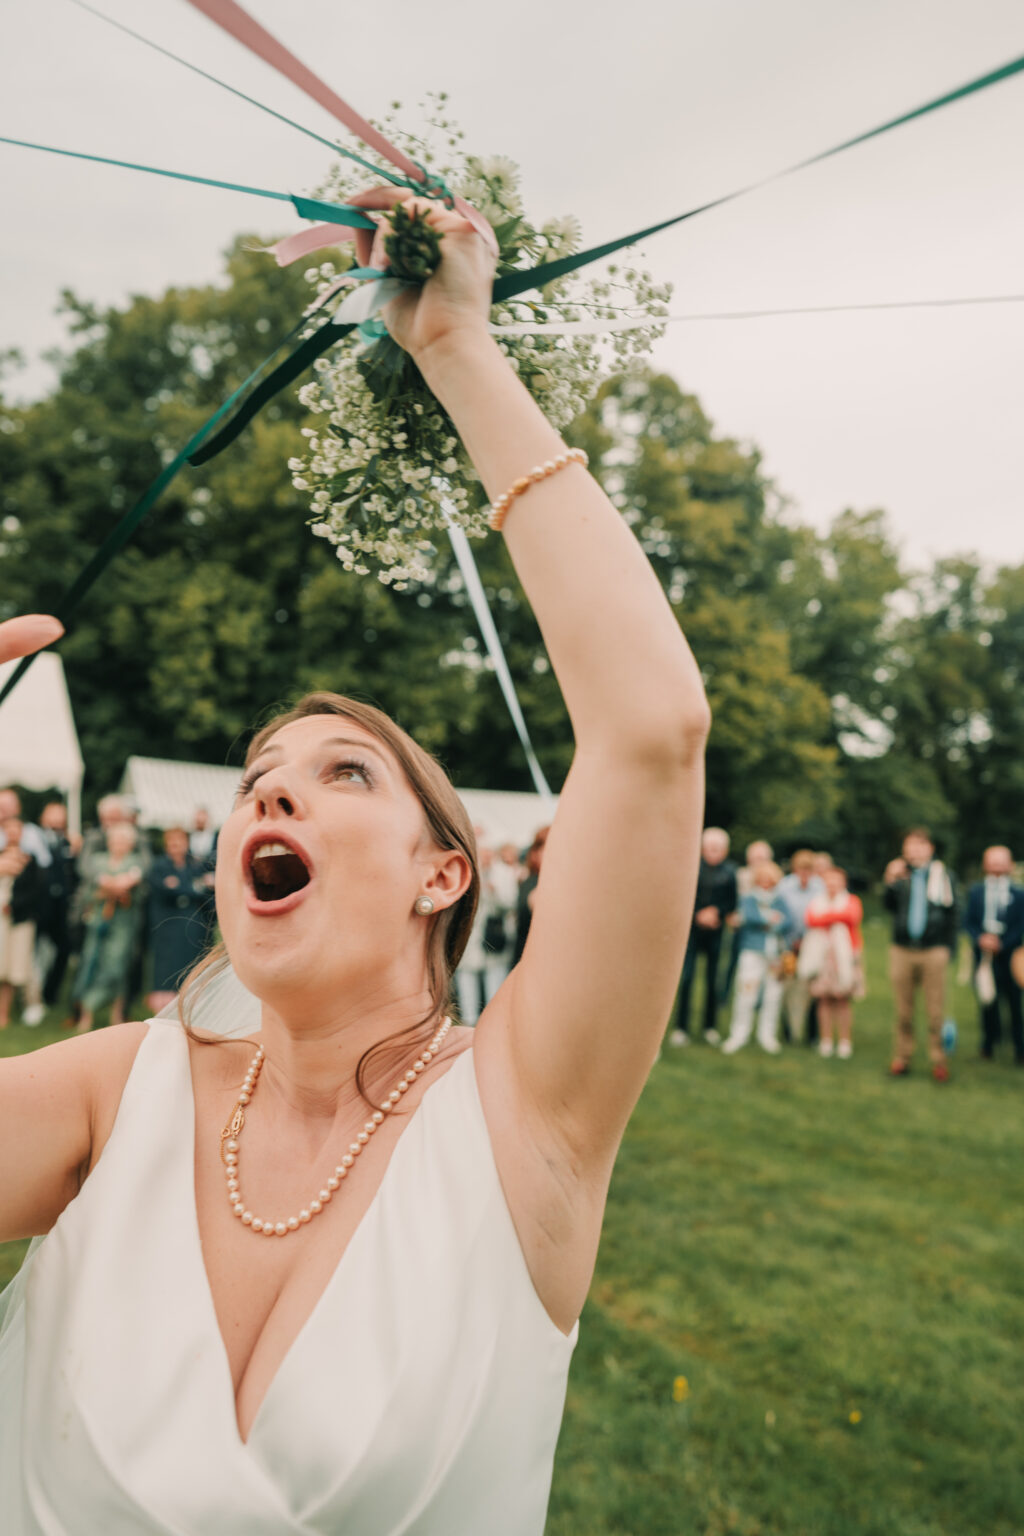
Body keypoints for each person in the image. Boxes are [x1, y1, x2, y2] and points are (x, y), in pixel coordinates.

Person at [0, 192, 711, 1535]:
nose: (274, 789)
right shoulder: (115, 1095)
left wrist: (457, 349)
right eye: (262, 780)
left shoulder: (528, 1118)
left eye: (343, 774)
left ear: (444, 874)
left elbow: (651, 734)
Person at [883, 828, 958, 1082]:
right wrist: (890, 881)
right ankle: (902, 1058)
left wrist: (949, 948)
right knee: (903, 1009)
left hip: (933, 949)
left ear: (930, 848)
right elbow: (888, 907)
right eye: (910, 846)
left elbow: (953, 913)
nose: (914, 850)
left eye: (919, 845)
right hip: (902, 948)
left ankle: (939, 1060)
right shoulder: (900, 875)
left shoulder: (943, 876)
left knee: (935, 1009)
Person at [70, 821, 146, 1033]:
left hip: (124, 922)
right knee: (90, 963)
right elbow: (88, 892)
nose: (118, 844)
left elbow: (137, 892)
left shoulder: (136, 862)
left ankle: (116, 1015)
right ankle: (86, 1015)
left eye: (123, 840)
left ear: (130, 843)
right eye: (115, 840)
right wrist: (111, 889)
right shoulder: (97, 860)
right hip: (97, 921)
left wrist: (111, 888)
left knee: (117, 965)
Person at [670, 827, 738, 1046]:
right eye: (709, 848)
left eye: (717, 848)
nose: (713, 852)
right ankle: (681, 1027)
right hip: (692, 932)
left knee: (712, 981)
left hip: (715, 933)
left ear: (724, 850)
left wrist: (717, 912)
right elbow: (682, 897)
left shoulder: (729, 873)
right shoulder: (692, 869)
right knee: (687, 979)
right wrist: (698, 914)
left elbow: (731, 902)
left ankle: (710, 1027)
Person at [721, 861, 794, 1054]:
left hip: (775, 955)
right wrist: (770, 919)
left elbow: (788, 921)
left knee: (772, 995)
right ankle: (739, 1034)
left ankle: (767, 1035)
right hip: (752, 952)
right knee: (746, 993)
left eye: (769, 880)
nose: (765, 883)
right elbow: (750, 918)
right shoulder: (748, 898)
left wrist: (772, 922)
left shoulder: (780, 899)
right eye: (762, 880)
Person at [963, 845, 1024, 1064]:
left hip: (1011, 956)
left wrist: (1003, 943)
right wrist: (980, 938)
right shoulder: (976, 891)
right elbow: (968, 920)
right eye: (993, 861)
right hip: (984, 954)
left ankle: (1019, 1047)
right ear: (985, 864)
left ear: (1010, 864)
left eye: (1001, 861)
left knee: (1015, 1002)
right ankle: (989, 1043)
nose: (997, 865)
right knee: (987, 999)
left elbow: (1020, 925)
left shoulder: (1019, 893)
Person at [146, 827, 216, 1014]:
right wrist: (195, 888)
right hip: (167, 925)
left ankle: (192, 1005)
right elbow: (165, 890)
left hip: (193, 925)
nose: (176, 846)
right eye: (172, 843)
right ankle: (165, 1008)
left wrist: (183, 887)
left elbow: (207, 891)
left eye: (180, 842)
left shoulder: (196, 864)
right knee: (167, 965)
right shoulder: (160, 866)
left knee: (191, 963)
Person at [799, 866, 864, 1058]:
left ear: (843, 882)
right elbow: (811, 920)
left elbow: (851, 917)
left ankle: (844, 1041)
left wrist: (825, 918)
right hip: (822, 956)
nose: (832, 884)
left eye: (836, 880)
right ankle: (826, 1040)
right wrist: (834, 918)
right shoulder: (817, 901)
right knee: (823, 999)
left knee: (842, 999)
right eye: (829, 880)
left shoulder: (852, 901)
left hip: (845, 955)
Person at [0, 816, 46, 1029]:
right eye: (8, 828)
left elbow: (35, 891)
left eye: (17, 828)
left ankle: (9, 1012)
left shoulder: (30, 860)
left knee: (15, 967)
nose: (12, 832)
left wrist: (13, 905)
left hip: (19, 919)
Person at [777, 850, 826, 1044]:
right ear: (795, 869)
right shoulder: (785, 886)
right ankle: (788, 1031)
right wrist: (792, 940)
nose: (804, 873)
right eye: (801, 869)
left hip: (811, 943)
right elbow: (781, 913)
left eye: (808, 869)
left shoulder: (819, 887)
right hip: (788, 943)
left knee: (810, 988)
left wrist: (806, 940)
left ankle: (811, 1033)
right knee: (787, 986)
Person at [35, 801, 80, 1009]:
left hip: (60, 907)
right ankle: (30, 996)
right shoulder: (35, 838)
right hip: (38, 905)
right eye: (52, 814)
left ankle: (49, 993)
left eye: (60, 815)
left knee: (64, 948)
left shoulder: (69, 842)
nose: (56, 819)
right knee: (32, 950)